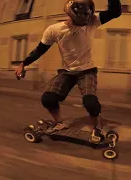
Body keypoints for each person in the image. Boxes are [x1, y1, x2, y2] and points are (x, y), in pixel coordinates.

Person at [15, 0, 122, 143]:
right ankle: (59, 122)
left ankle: (97, 127)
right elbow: (40, 50)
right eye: (80, 23)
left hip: (87, 71)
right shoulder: (54, 30)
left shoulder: (92, 20)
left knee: (91, 103)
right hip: (67, 71)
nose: (83, 26)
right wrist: (23, 64)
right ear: (71, 15)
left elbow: (115, 12)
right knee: (48, 98)